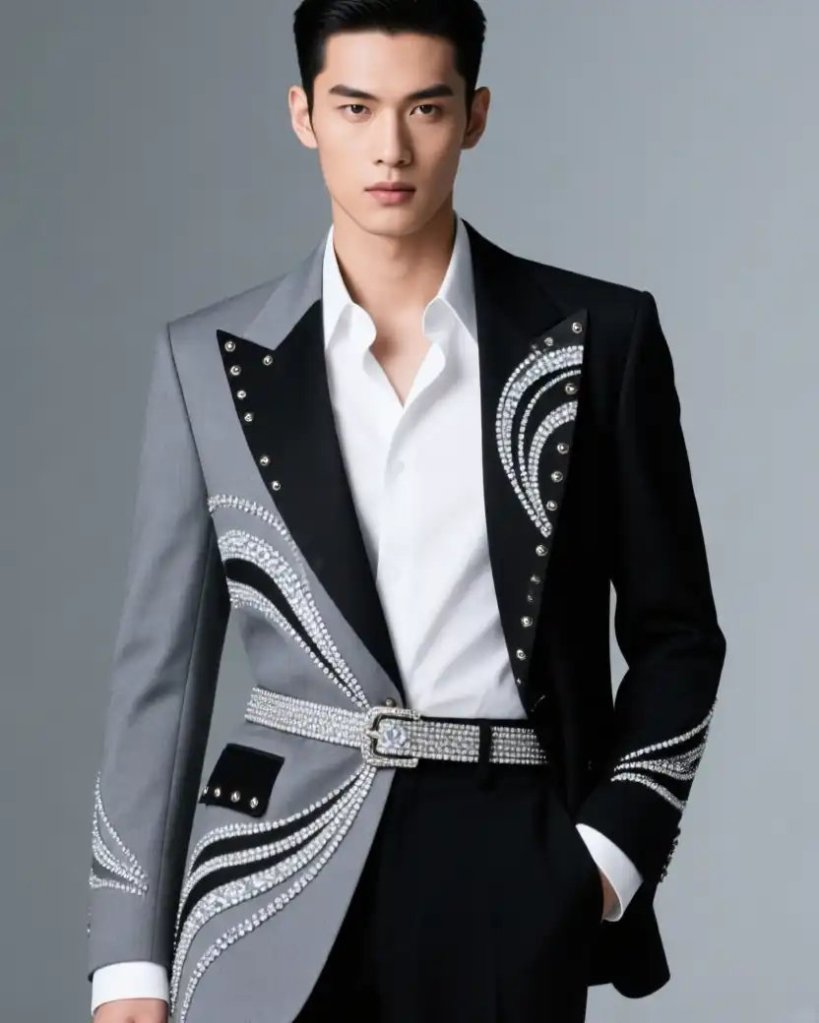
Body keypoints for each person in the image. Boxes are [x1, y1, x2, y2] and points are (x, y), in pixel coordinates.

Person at [86, 2, 727, 1021]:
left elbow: (679, 635)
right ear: (303, 115)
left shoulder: (600, 339)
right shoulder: (206, 361)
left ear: (474, 116)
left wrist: (609, 853)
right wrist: (128, 962)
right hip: (266, 872)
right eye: (355, 107)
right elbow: (156, 681)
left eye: (425, 108)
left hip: (511, 862)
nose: (390, 147)